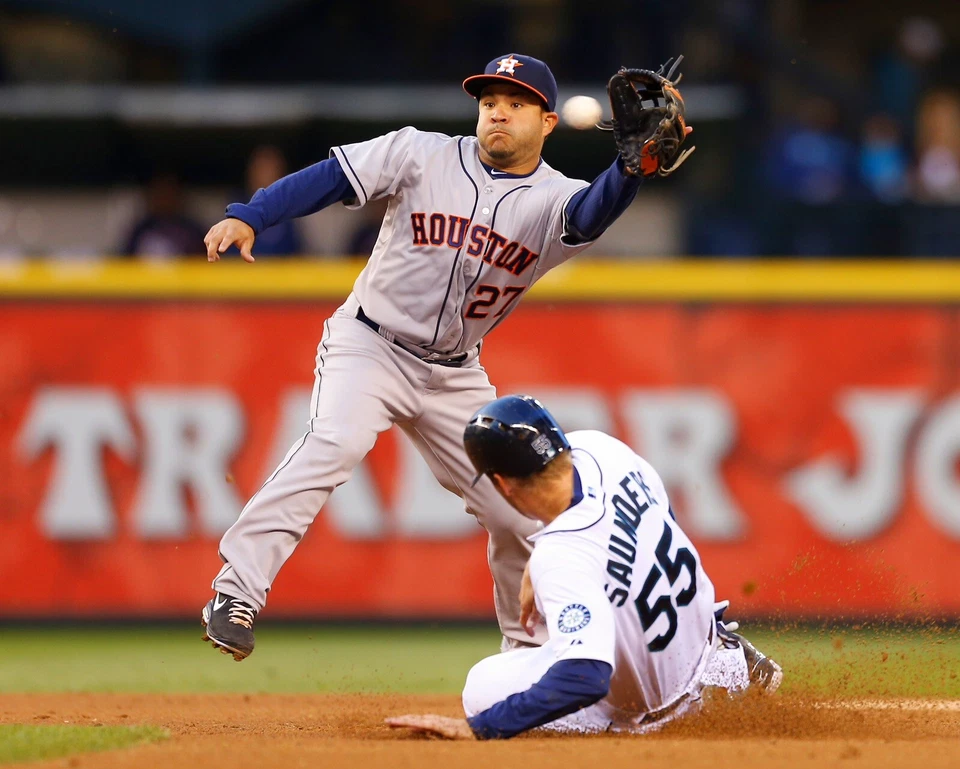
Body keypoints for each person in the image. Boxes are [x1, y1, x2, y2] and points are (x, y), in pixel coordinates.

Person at [200, 53, 694, 660]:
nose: (498, 114)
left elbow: (591, 214)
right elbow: (331, 176)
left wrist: (629, 169)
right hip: (371, 345)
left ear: (547, 122)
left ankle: (529, 653)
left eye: (516, 105)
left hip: (455, 377)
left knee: (519, 510)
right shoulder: (420, 152)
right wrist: (253, 214)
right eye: (489, 103)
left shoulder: (553, 199)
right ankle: (237, 591)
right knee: (332, 444)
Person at [387, 395, 783, 739]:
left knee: (481, 687)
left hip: (662, 709)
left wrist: (482, 728)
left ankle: (659, 717)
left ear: (502, 484)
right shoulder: (603, 449)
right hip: (702, 643)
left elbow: (585, 678)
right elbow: (663, 518)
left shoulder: (560, 557)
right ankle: (728, 664)